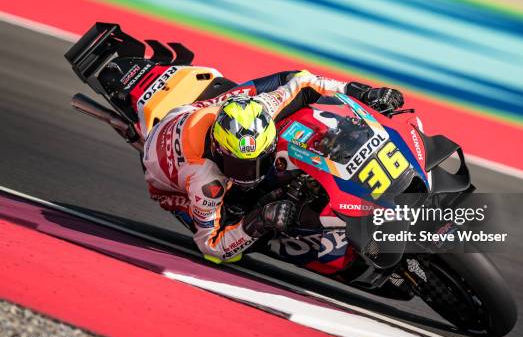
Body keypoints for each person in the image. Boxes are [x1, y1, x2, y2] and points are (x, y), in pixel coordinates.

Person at [142, 69, 404, 262]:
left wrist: (364, 92)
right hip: (168, 182)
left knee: (294, 95)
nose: (251, 174)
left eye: (258, 162)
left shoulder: (263, 107)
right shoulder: (205, 181)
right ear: (218, 150)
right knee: (233, 250)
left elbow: (303, 82)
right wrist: (261, 219)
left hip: (196, 114)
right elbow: (211, 246)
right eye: (241, 166)